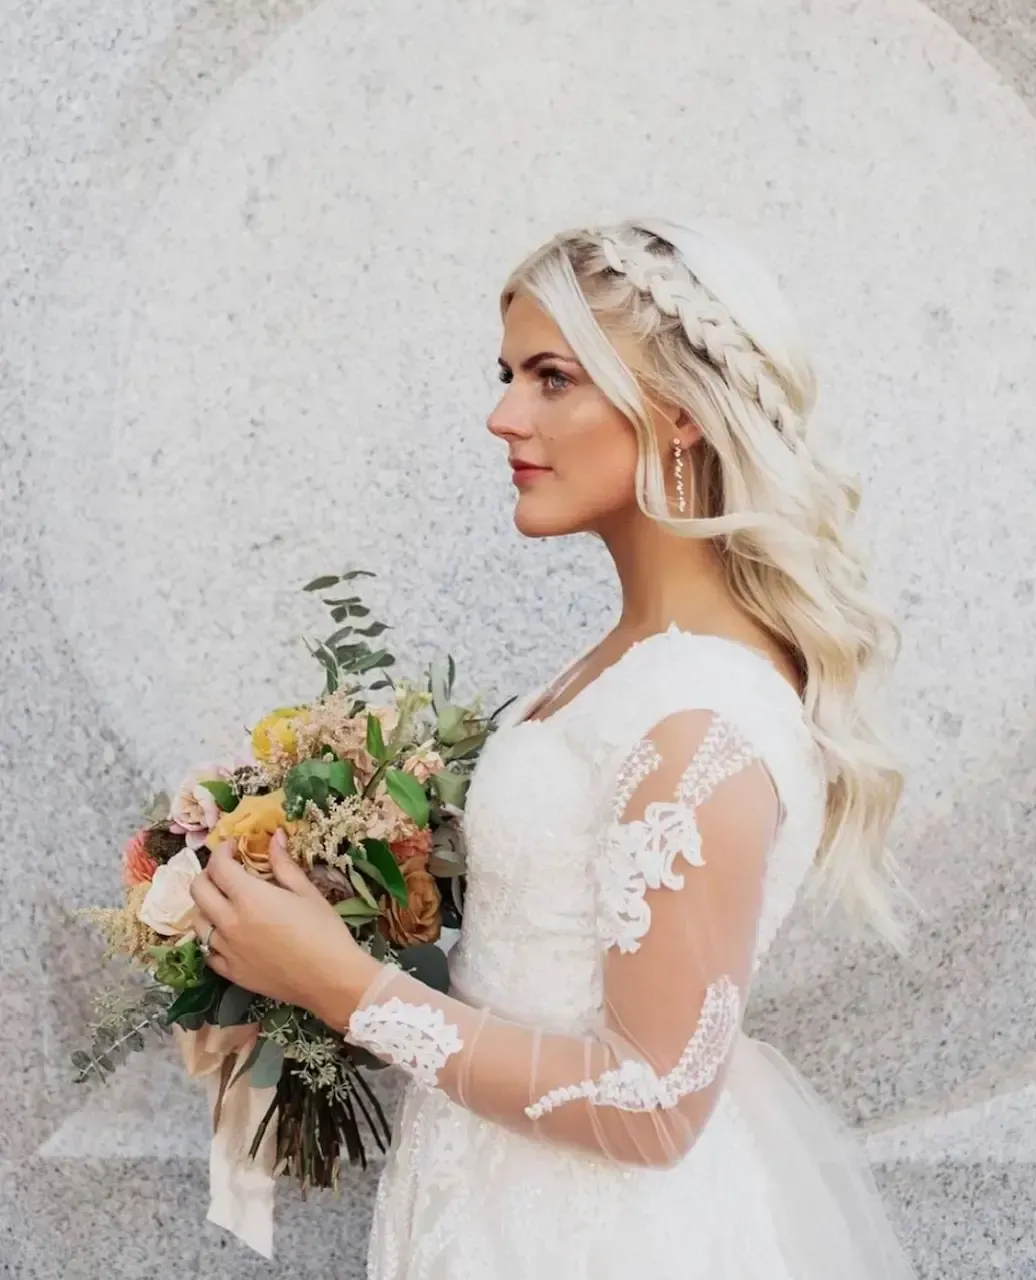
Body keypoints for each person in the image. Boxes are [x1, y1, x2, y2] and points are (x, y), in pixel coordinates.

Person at [190, 216, 918, 1278]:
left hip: (598, 1237)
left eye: (550, 378)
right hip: (487, 1203)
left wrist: (342, 985)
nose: (502, 415)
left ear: (673, 414)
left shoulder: (697, 720)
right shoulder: (621, 668)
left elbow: (655, 1102)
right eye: (507, 374)